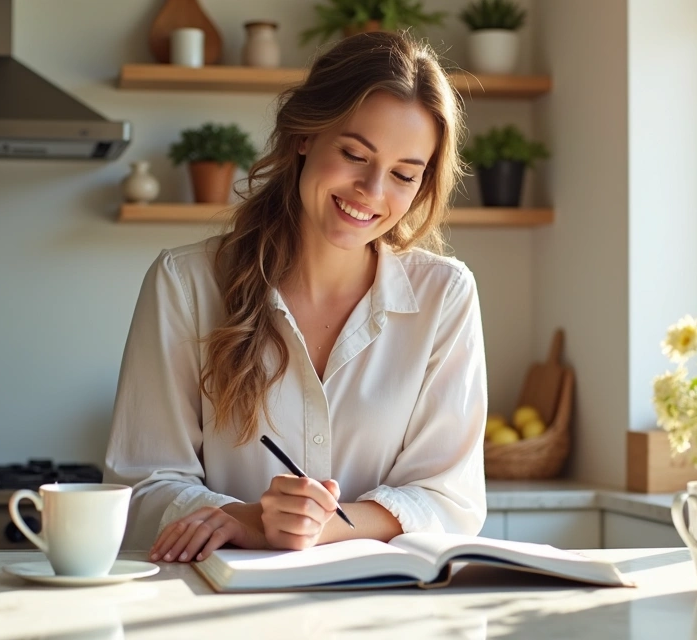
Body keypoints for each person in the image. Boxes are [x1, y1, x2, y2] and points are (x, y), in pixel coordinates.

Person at [103, 31, 488, 565]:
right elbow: (142, 486)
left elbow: (450, 499)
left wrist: (316, 527)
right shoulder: (185, 283)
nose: (372, 192)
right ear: (305, 136)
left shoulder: (444, 296)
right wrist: (258, 520)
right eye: (354, 154)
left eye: (404, 174)